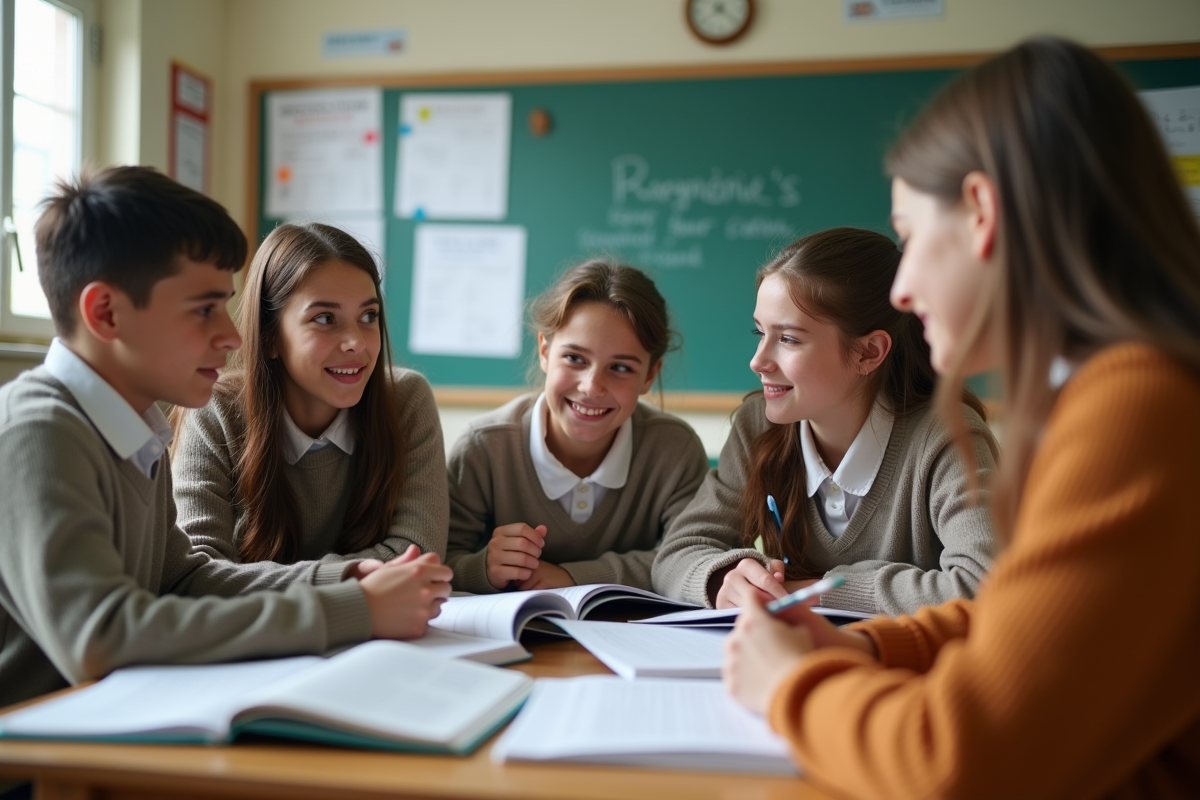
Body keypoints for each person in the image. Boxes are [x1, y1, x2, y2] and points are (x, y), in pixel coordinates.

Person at [723, 38, 1200, 799]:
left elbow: (955, 762)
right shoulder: (1115, 391)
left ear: (981, 211)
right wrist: (877, 650)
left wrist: (790, 688)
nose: (904, 289)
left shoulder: (1135, 409)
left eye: (909, 238)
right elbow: (1032, 625)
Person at [0, 167, 450, 709]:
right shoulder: (38, 430)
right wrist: (351, 610)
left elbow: (185, 577)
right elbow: (100, 636)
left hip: (109, 727)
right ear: (106, 312)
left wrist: (344, 577)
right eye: (204, 309)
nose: (233, 335)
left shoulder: (133, 429)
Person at [652, 227, 997, 615]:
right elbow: (675, 554)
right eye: (759, 332)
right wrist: (721, 580)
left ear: (869, 352)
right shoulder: (757, 427)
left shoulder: (946, 435)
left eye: (788, 339)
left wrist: (820, 590)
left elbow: (986, 586)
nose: (757, 361)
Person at [172, 223, 447, 582]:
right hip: (262, 635)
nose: (356, 343)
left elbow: (417, 554)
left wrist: (262, 581)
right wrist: (338, 579)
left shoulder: (406, 399)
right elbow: (200, 575)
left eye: (368, 316)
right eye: (324, 319)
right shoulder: (215, 409)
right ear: (270, 337)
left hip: (380, 631)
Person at [445, 259, 709, 593]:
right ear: (544, 350)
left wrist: (573, 577)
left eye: (621, 368)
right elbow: (438, 562)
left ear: (650, 376)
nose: (591, 387)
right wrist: (482, 567)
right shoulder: (483, 447)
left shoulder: (675, 449)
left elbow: (686, 559)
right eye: (575, 359)